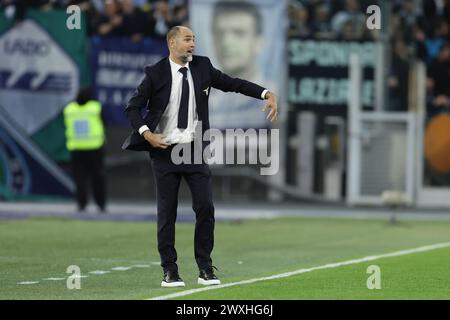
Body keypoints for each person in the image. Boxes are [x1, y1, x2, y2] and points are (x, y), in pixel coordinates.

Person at [122, 26, 278, 287]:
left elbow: (233, 84)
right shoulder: (155, 73)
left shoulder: (203, 67)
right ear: (172, 43)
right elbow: (133, 107)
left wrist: (266, 93)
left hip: (194, 149)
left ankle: (205, 268)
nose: (192, 43)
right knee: (167, 212)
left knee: (205, 207)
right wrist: (147, 134)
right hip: (164, 150)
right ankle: (169, 271)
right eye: (187, 39)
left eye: (194, 39)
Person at [208, 0, 276, 128]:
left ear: (259, 42)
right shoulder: (201, 94)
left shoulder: (276, 96)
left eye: (239, 33)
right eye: (220, 33)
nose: (226, 42)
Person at [64, 87, 107, 213]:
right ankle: (101, 204)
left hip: (76, 148)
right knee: (97, 178)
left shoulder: (69, 109)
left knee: (79, 178)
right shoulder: (95, 108)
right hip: (94, 148)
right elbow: (104, 124)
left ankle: (81, 204)